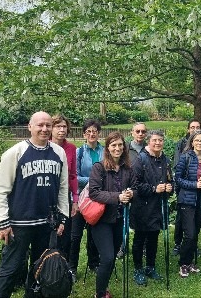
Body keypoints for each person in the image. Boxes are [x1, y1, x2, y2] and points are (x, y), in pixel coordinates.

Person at [0, 112, 69, 298]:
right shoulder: (15, 153)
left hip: (46, 223)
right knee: (10, 269)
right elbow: (2, 189)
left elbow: (63, 188)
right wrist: (2, 221)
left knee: (39, 268)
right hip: (19, 224)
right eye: (40, 125)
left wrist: (62, 217)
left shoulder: (59, 153)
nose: (44, 129)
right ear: (30, 126)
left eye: (48, 125)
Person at [89, 132, 137, 298]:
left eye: (120, 145)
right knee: (108, 257)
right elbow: (94, 193)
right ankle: (100, 294)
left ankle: (105, 288)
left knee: (113, 255)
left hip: (119, 219)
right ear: (108, 148)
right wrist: (117, 197)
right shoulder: (99, 167)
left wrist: (131, 193)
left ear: (124, 147)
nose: (117, 148)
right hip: (101, 219)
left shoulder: (128, 169)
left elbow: (135, 188)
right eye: (113, 145)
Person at [131, 130, 174, 286]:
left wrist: (170, 187)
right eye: (155, 140)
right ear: (149, 141)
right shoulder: (140, 159)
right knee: (140, 239)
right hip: (142, 207)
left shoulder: (165, 160)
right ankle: (138, 269)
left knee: (153, 239)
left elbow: (171, 179)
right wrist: (154, 188)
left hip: (158, 206)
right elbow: (135, 184)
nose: (158, 143)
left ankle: (150, 266)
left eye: (160, 140)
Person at [175, 130, 201, 277]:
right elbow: (178, 179)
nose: (200, 143)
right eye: (197, 140)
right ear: (192, 142)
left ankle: (190, 262)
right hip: (186, 200)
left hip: (200, 200)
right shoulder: (185, 158)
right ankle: (183, 263)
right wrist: (195, 185)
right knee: (189, 234)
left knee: (195, 232)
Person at [69, 119, 103, 280]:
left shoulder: (104, 151)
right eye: (88, 131)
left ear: (98, 133)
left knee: (93, 234)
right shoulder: (79, 152)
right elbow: (74, 176)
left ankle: (93, 263)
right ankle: (72, 268)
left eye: (94, 131)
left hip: (97, 199)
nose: (91, 134)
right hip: (81, 199)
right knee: (75, 236)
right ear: (84, 134)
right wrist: (92, 181)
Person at [50, 114, 79, 263]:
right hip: (47, 196)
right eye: (58, 126)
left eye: (64, 126)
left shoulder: (71, 148)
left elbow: (73, 175)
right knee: (47, 234)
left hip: (65, 196)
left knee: (65, 234)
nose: (61, 130)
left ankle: (63, 269)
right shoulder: (45, 146)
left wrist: (75, 200)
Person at [172, 119, 201, 256]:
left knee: (195, 219)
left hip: (198, 189)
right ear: (188, 129)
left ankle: (192, 243)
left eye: (197, 127)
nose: (195, 129)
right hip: (183, 187)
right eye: (192, 127)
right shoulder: (181, 144)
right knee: (181, 218)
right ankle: (178, 243)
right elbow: (178, 166)